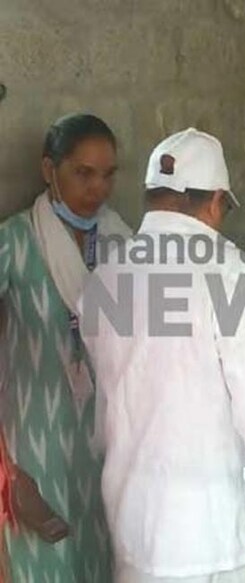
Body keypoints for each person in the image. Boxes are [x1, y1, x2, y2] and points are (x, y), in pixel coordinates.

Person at [77, 128, 245, 582]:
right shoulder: (231, 274)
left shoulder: (103, 280)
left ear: (151, 197)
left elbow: (100, 402)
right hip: (214, 536)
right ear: (215, 202)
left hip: (136, 531)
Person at [0, 113, 132, 581]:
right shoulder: (15, 242)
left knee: (102, 560)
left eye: (108, 174)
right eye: (83, 173)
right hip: (38, 444)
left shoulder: (122, 245)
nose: (98, 188)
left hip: (107, 443)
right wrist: (8, 472)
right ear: (48, 170)